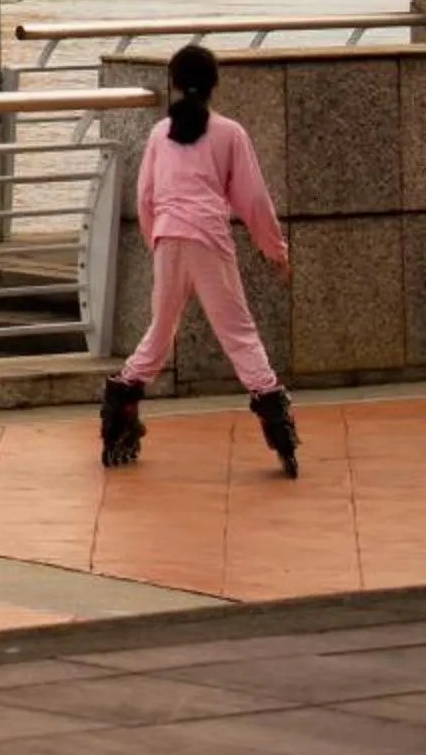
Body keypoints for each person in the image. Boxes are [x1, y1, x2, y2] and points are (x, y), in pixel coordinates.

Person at [101, 42, 296, 476]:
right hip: (208, 239)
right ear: (214, 85)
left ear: (171, 84)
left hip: (170, 238)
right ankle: (274, 415)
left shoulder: (158, 134)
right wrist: (275, 252)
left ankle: (120, 405)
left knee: (160, 330)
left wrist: (157, 244)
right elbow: (254, 200)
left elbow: (145, 197)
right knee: (239, 333)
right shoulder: (230, 133)